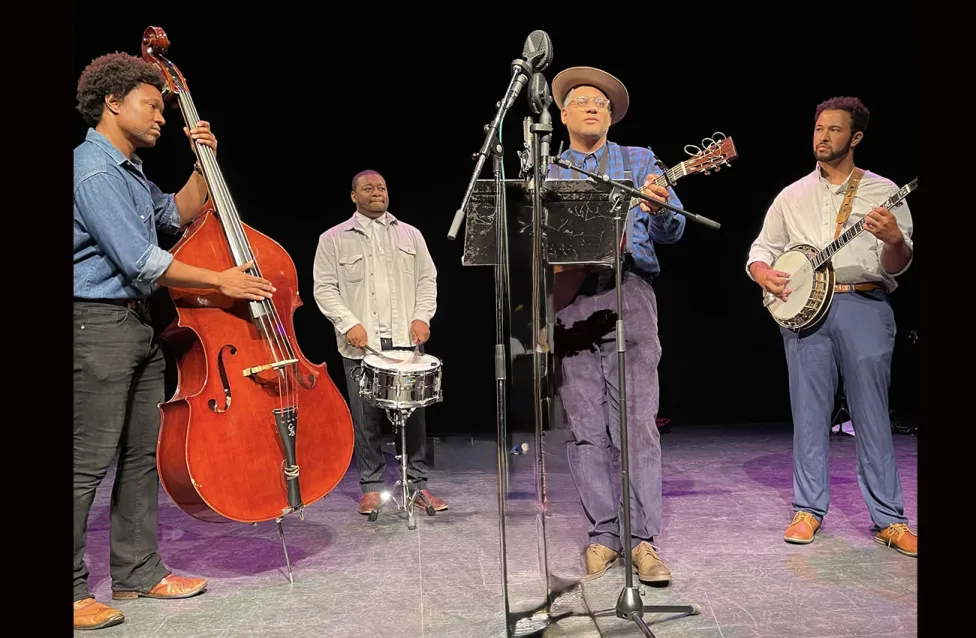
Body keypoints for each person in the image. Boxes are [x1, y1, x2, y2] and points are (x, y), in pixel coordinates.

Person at [73, 53, 276, 631]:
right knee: (86, 462)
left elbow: (173, 215)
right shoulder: (93, 170)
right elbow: (140, 259)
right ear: (113, 103)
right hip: (98, 324)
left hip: (137, 323)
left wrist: (202, 162)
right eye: (151, 105)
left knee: (142, 456)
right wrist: (219, 280)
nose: (161, 116)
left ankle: (137, 571)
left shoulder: (130, 169)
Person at [746, 96, 917, 557]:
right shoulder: (792, 195)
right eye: (819, 128)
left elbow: (898, 264)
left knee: (871, 415)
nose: (823, 137)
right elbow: (761, 250)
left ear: (855, 137)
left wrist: (893, 239)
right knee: (808, 414)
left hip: (864, 303)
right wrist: (763, 274)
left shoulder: (883, 191)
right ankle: (807, 510)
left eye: (834, 130)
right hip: (805, 313)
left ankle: (889, 519)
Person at [547, 66, 685, 585]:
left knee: (637, 424)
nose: (593, 107)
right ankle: (603, 535)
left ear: (611, 117)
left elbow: (673, 229)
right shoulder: (547, 170)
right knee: (586, 429)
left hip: (629, 291)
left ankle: (642, 539)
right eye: (582, 101)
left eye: (601, 103)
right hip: (569, 301)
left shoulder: (641, 160)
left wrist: (659, 205)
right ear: (563, 114)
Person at [312, 170, 447, 515]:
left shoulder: (410, 234)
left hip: (405, 341)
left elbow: (427, 280)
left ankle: (417, 485)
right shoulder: (333, 238)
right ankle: (371, 486)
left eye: (382, 187)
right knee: (365, 418)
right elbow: (324, 288)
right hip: (362, 344)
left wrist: (422, 316)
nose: (377, 192)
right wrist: (348, 323)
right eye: (368, 188)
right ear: (353, 196)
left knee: (414, 417)